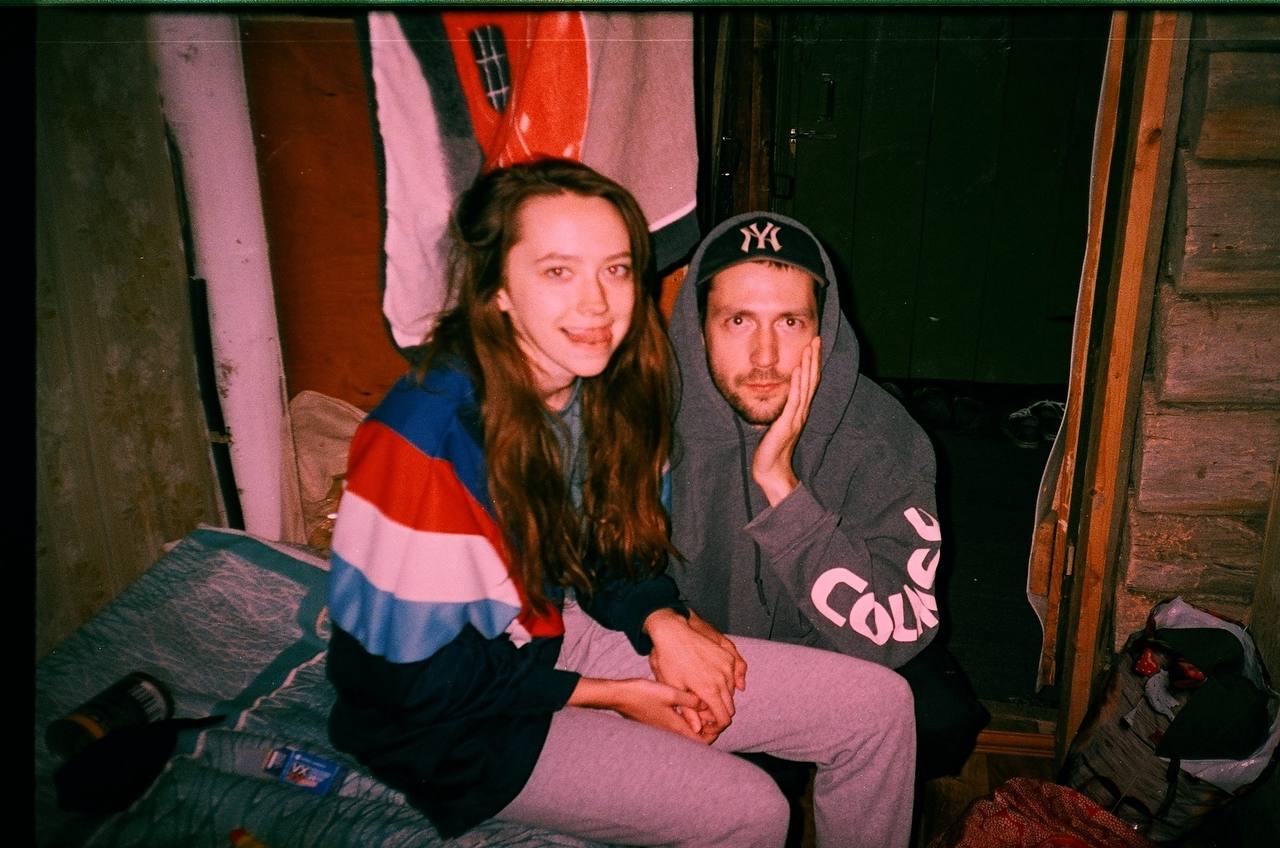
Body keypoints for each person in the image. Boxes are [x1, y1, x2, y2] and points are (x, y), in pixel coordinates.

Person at [324, 160, 917, 848]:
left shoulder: (599, 384)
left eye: (615, 270)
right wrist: (611, 696)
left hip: (554, 634)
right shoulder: (424, 440)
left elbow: (607, 550)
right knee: (753, 811)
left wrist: (660, 619)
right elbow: (408, 686)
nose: (597, 305)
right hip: (459, 730)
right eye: (558, 271)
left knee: (878, 709)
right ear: (497, 290)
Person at [667, 211, 990, 789]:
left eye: (790, 322)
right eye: (738, 320)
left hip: (831, 649)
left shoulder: (882, 435)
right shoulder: (646, 422)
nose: (765, 356)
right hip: (697, 655)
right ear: (699, 329)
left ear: (823, 330)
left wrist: (782, 489)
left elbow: (900, 626)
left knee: (937, 718)